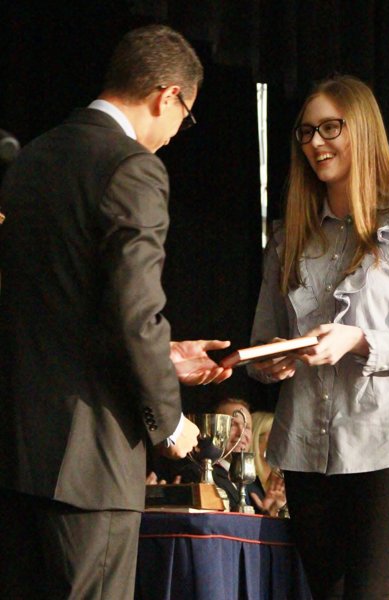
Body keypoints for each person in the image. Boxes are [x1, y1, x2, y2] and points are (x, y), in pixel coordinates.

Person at [0, 24, 232, 600]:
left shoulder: (31, 159)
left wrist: (165, 355)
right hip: (91, 459)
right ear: (168, 95)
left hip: (16, 450)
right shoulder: (132, 167)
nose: (178, 133)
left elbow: (63, 306)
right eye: (185, 117)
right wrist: (171, 421)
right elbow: (135, 312)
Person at [247, 74, 389, 599]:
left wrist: (360, 339)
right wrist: (271, 363)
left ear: (362, 131)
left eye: (329, 128)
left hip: (387, 448)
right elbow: (264, 345)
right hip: (305, 451)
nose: (315, 143)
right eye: (305, 133)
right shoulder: (289, 239)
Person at [249, 411, 287, 517]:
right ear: (256, 439)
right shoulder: (247, 482)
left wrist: (277, 508)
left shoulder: (278, 482)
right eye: (275, 435)